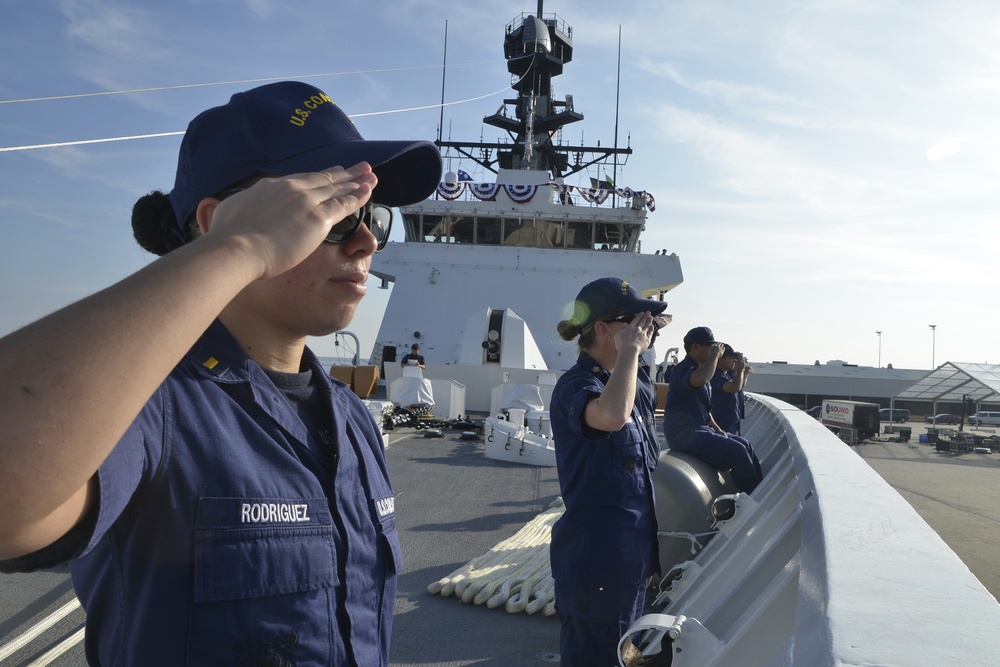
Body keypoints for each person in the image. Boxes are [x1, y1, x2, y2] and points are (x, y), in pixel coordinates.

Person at [0, 81, 442, 665]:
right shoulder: (150, 407)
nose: (366, 241)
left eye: (375, 216)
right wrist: (240, 248)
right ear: (218, 222)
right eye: (330, 213)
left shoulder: (352, 420)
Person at [549, 277, 671, 666]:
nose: (642, 329)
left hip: (631, 563)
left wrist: (650, 559)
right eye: (631, 321)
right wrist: (631, 352)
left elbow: (643, 471)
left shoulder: (633, 386)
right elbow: (612, 416)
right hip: (595, 566)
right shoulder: (576, 386)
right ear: (603, 328)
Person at [662, 327, 763, 494]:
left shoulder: (703, 371)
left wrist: (718, 430)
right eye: (709, 347)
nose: (713, 351)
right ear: (695, 347)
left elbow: (704, 409)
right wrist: (715, 356)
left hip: (699, 429)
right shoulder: (684, 369)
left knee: (744, 444)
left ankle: (760, 491)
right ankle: (752, 497)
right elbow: (700, 379)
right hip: (684, 433)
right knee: (738, 452)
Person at [710, 344, 754, 436]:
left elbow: (738, 385)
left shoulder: (726, 375)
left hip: (732, 425)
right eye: (732, 357)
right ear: (721, 358)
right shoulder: (716, 375)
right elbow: (735, 387)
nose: (734, 360)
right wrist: (740, 370)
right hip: (723, 425)